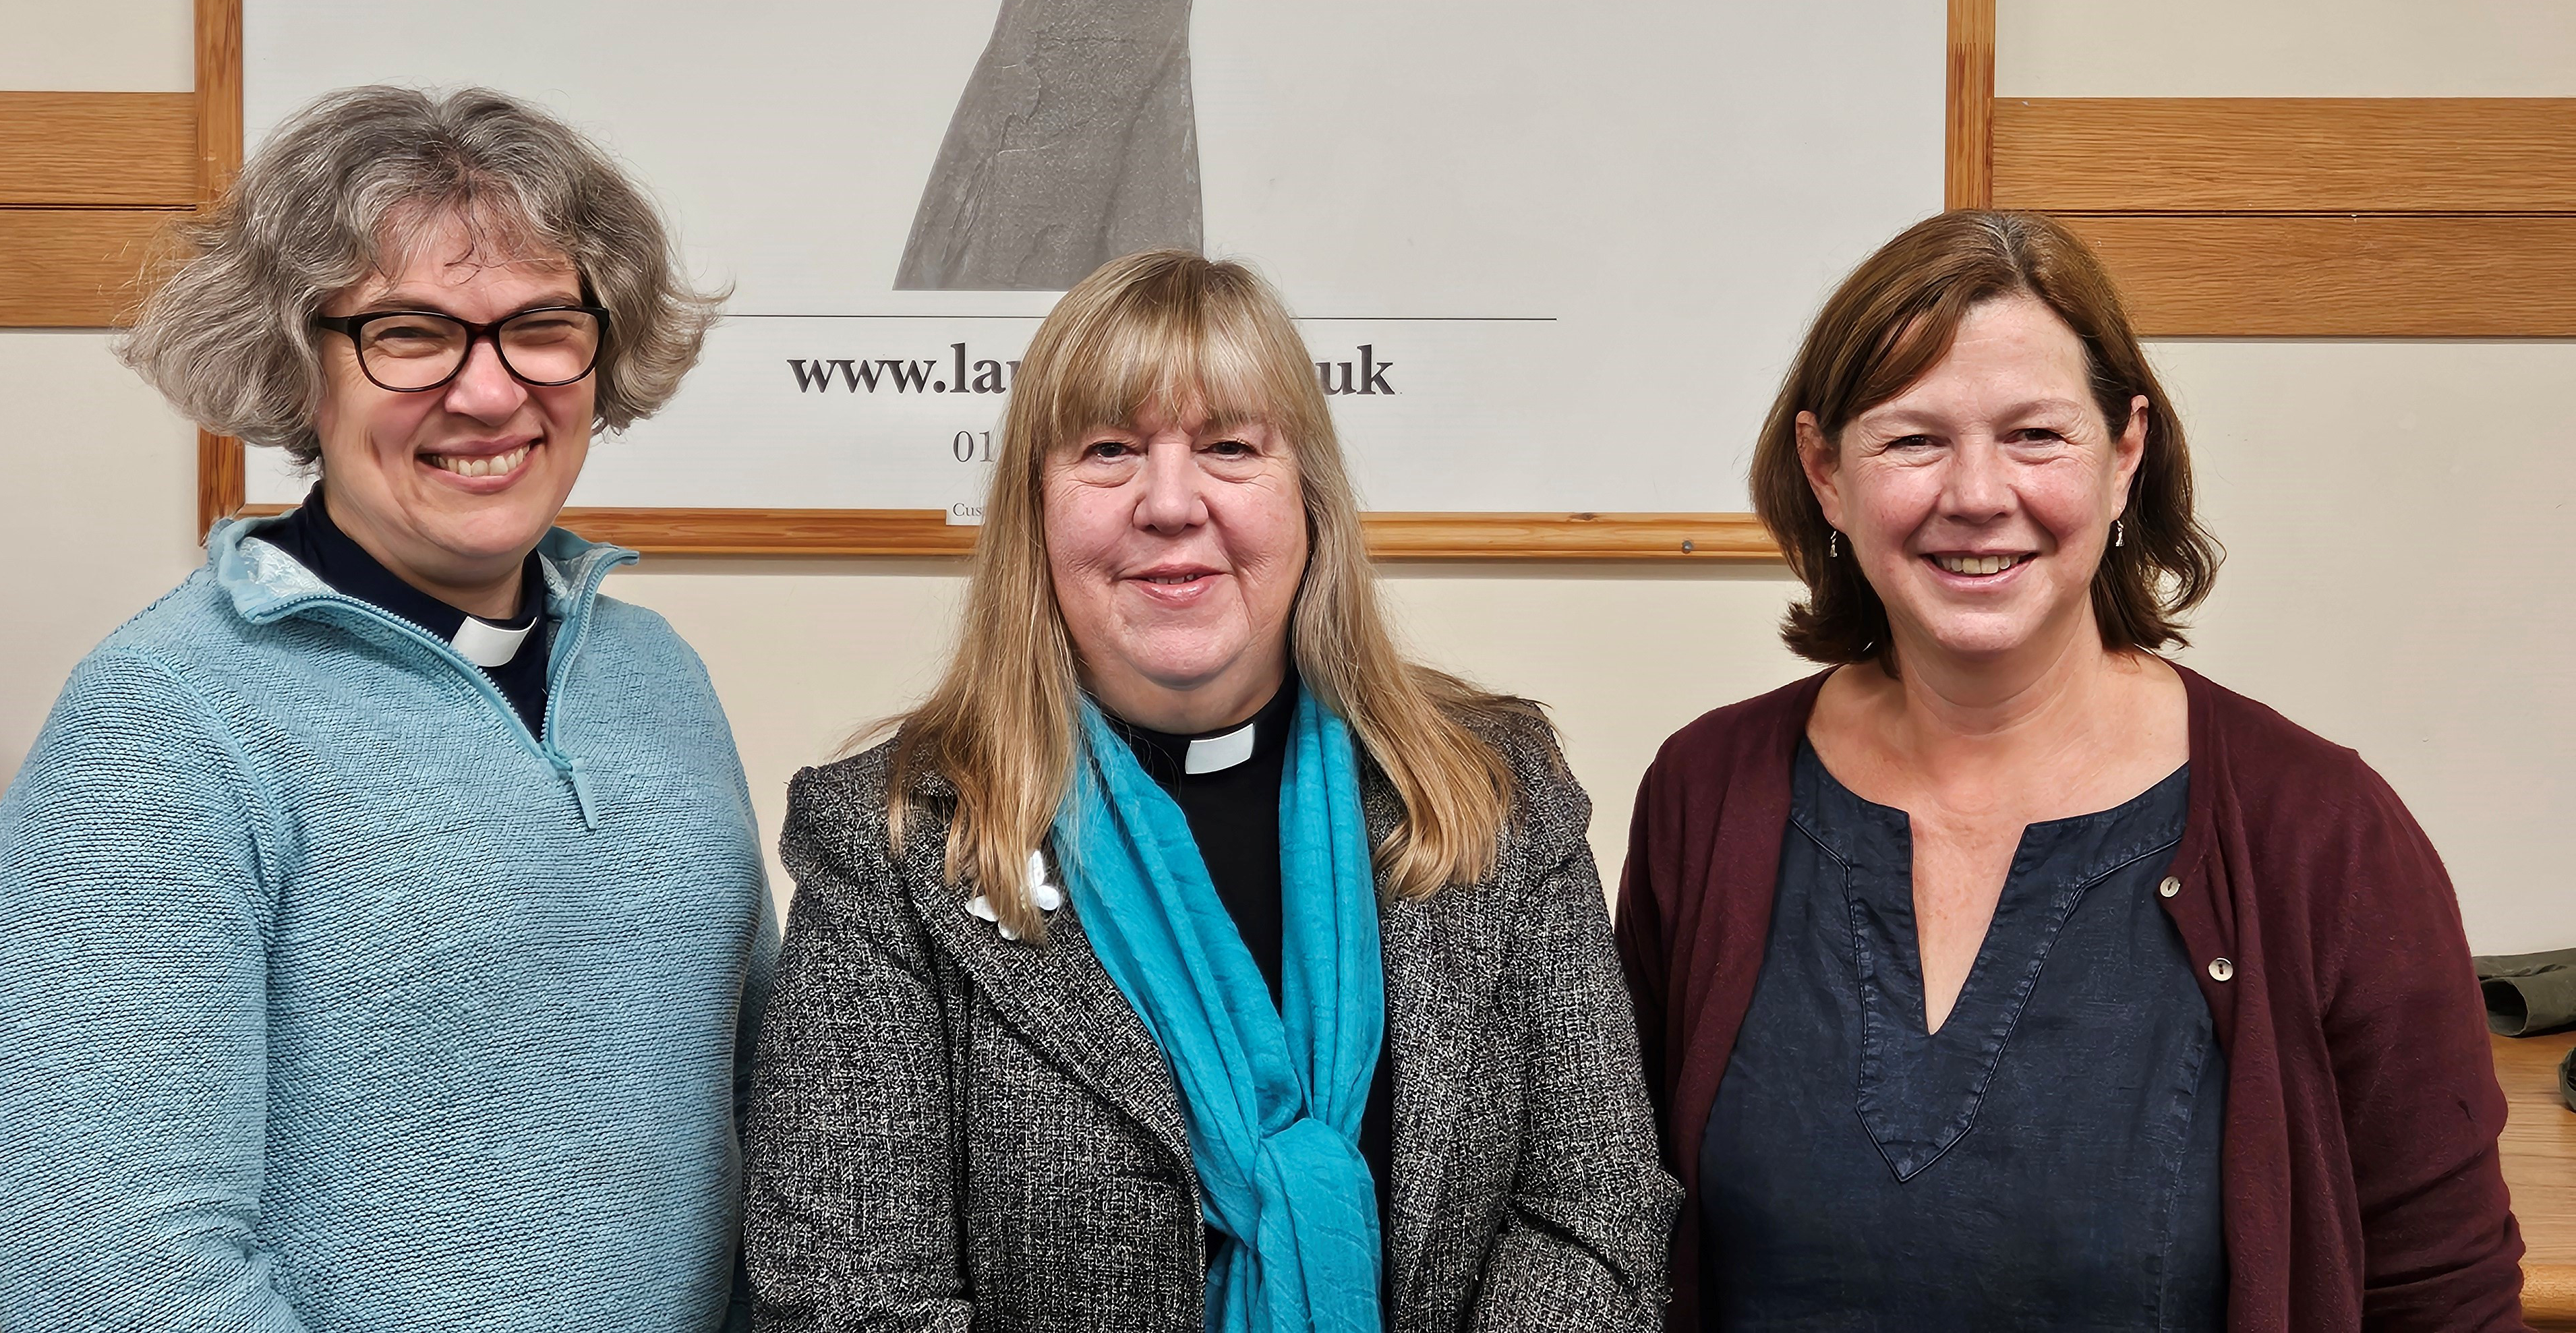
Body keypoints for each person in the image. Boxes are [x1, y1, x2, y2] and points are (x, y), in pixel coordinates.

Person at [1615, 210, 2525, 1331]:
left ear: (2124, 453)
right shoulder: (1707, 798)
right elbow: (1622, 1237)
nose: (1978, 493)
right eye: (1913, 440)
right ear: (1825, 471)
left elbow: (2446, 1303)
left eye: (2037, 435)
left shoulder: (2322, 832)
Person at [744, 250, 1676, 1332]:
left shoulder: (1493, 789)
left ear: (1309, 499)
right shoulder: (894, 840)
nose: (1172, 501)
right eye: (1109, 451)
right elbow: (848, 1300)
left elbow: (1593, 1210)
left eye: (1230, 446)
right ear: (1035, 512)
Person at [0, 86, 768, 1332]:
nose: (491, 394)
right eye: (410, 333)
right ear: (300, 360)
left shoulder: (655, 674)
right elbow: (113, 1275)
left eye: (542, 325)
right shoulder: (159, 726)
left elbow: (766, 1113)